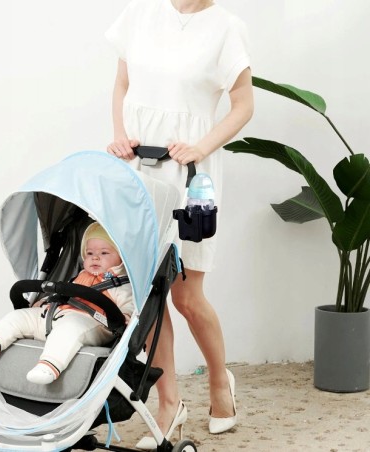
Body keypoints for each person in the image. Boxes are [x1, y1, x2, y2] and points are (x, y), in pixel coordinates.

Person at [105, 0, 254, 447]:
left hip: (191, 175)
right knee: (147, 292)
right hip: (137, 167)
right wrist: (120, 135)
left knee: (186, 295)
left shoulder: (226, 28)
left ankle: (219, 381)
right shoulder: (139, 14)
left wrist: (201, 147)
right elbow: (123, 83)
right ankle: (169, 404)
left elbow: (243, 105)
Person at [0, 222, 133, 384]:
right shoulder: (80, 275)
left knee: (69, 330)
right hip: (55, 314)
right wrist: (44, 302)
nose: (95, 258)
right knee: (20, 316)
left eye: (104, 253)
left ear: (121, 257)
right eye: (90, 253)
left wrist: (126, 317)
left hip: (92, 322)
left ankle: (49, 366)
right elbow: (64, 294)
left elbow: (129, 306)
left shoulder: (121, 284)